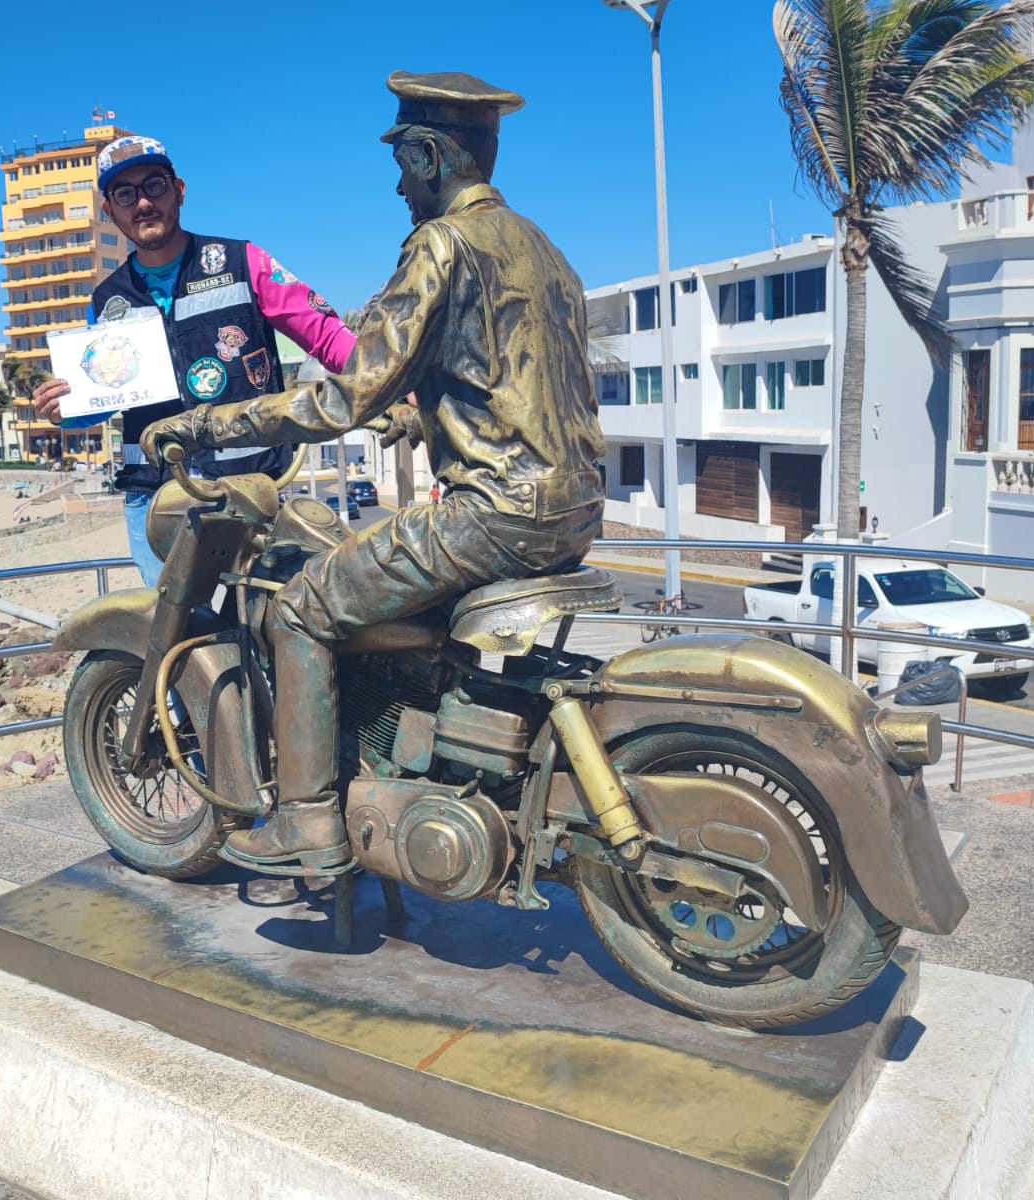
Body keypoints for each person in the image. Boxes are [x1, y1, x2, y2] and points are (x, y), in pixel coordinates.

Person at [141, 72, 605, 873]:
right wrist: (417, 409)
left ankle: (309, 821)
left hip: (491, 514)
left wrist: (212, 422)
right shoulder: (543, 249)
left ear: (429, 154)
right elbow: (513, 385)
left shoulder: (442, 243)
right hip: (572, 509)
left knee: (299, 608)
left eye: (402, 161)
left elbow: (347, 390)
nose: (397, 184)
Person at [31, 134, 357, 588]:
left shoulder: (244, 262)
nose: (142, 203)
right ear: (110, 211)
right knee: (179, 640)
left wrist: (395, 379)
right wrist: (64, 409)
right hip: (155, 499)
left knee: (270, 625)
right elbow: (104, 396)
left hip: (250, 489)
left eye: (154, 186)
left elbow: (325, 334)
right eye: (125, 194)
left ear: (179, 190)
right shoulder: (107, 300)